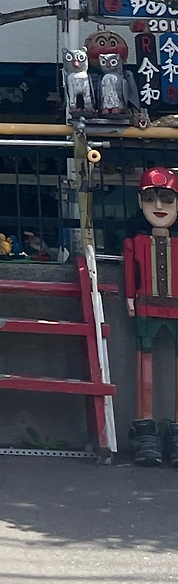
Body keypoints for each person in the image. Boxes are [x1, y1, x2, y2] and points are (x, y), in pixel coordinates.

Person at [124, 165, 178, 465]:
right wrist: (130, 299)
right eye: (150, 198)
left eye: (167, 198)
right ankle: (146, 430)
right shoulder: (136, 242)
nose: (158, 205)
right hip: (146, 305)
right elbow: (131, 273)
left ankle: (174, 431)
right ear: (140, 201)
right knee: (144, 361)